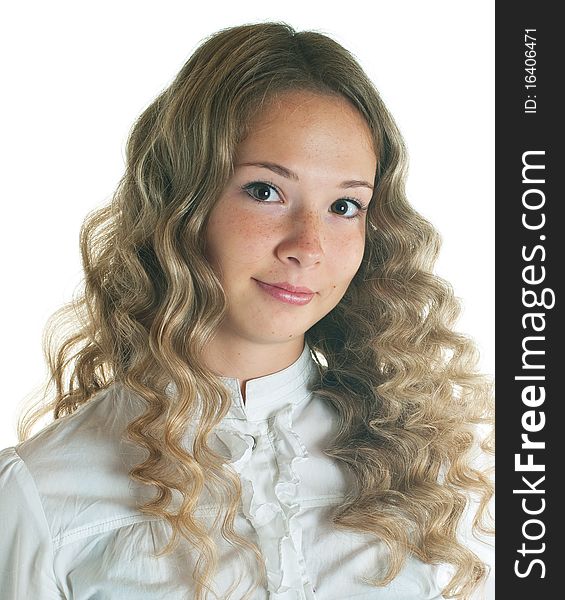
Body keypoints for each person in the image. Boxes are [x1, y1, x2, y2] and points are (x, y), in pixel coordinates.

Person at [0, 21, 493, 600]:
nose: (307, 246)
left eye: (344, 205)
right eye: (265, 191)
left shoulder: (423, 473)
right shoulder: (44, 494)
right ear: (182, 201)